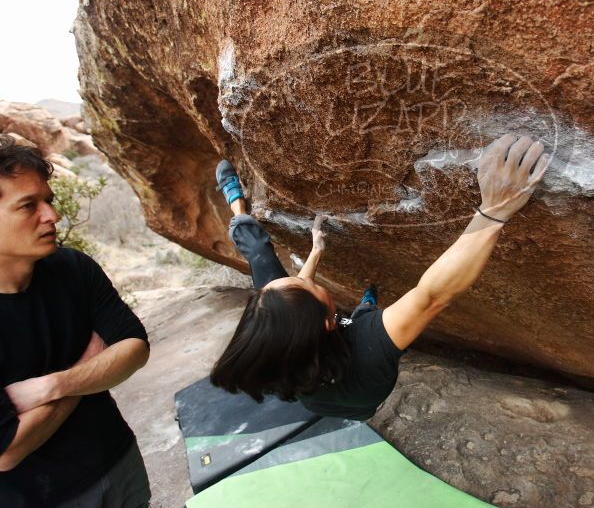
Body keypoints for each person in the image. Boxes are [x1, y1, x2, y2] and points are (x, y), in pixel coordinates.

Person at [211, 133, 551, 420]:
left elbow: (291, 295)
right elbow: (432, 295)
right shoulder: (367, 346)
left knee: (258, 254)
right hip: (362, 401)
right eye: (309, 285)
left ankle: (237, 207)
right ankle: (367, 304)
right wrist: (495, 209)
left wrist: (315, 252)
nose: (304, 277)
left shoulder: (272, 343)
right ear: (326, 323)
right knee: (364, 316)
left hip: (316, 381)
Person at [0, 135, 151, 507]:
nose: (52, 215)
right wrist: (89, 368)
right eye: (28, 206)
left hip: (119, 460)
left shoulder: (72, 268)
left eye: (48, 201)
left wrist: (51, 386)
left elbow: (134, 346)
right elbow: (8, 450)